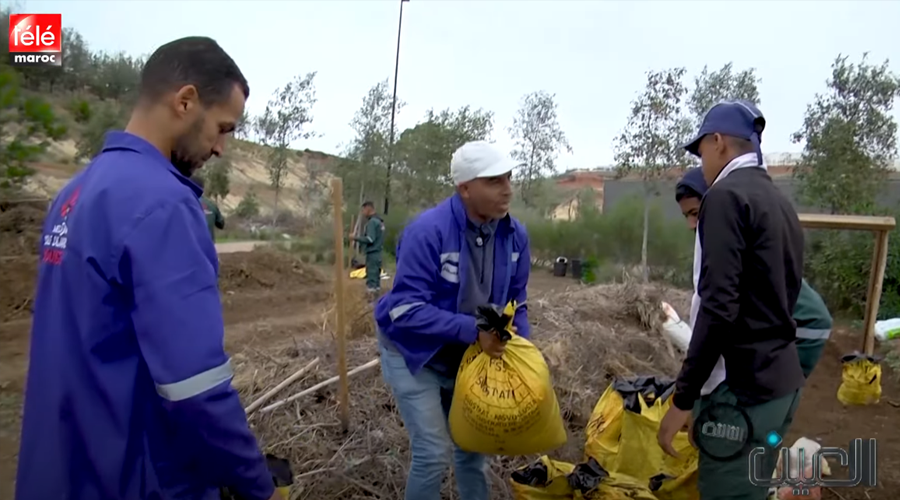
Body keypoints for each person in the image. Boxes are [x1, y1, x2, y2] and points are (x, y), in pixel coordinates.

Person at [16, 37, 282, 500]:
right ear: (185, 102)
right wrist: (256, 484)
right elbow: (196, 389)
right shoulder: (164, 205)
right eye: (222, 128)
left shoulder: (74, 194)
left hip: (60, 469)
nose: (221, 148)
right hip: (130, 478)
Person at [657, 100, 806, 500]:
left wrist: (684, 399)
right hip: (779, 388)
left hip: (742, 393)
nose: (702, 161)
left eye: (701, 149)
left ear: (718, 142)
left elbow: (719, 308)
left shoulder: (724, 197)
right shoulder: (778, 203)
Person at [373, 140, 530, 500]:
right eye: (494, 181)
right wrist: (474, 332)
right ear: (465, 188)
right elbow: (405, 309)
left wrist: (523, 347)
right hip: (414, 353)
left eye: (508, 178)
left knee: (472, 450)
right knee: (433, 452)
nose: (507, 189)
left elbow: (517, 303)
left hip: (466, 357)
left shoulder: (515, 235)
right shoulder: (428, 231)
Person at [675, 168, 833, 379]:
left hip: (805, 335)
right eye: (687, 216)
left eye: (695, 214)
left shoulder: (737, 251)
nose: (690, 225)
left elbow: (719, 312)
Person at [350, 201, 384, 293]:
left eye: (363, 210)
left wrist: (355, 238)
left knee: (372, 279)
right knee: (376, 278)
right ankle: (376, 301)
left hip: (372, 254)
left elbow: (370, 239)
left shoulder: (372, 222)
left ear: (368, 209)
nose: (363, 212)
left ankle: (371, 302)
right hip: (378, 254)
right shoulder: (379, 221)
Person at [192, 174, 226, 242]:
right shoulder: (211, 204)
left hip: (191, 246)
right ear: (203, 187)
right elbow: (221, 224)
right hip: (209, 247)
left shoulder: (183, 203)